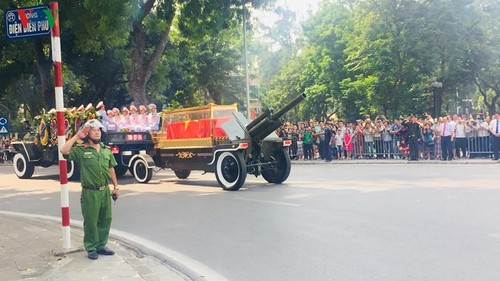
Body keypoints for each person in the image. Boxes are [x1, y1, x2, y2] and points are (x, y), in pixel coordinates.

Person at [60, 119, 119, 260]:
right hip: (89, 192)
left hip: (104, 191)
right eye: (94, 130)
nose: (97, 132)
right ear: (87, 133)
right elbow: (64, 150)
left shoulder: (106, 150)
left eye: (99, 130)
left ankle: (101, 245)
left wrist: (116, 187)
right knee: (91, 221)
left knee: (105, 219)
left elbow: (111, 168)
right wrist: (76, 136)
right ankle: (91, 247)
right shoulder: (81, 150)